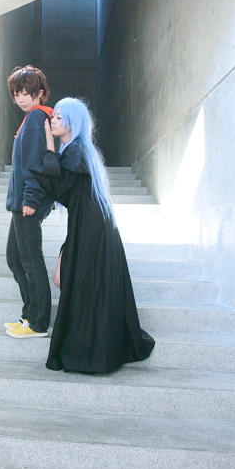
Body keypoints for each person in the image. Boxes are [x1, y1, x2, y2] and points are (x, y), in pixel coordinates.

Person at [33, 97, 155, 373]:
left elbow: (57, 187)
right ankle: (88, 344)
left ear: (73, 122)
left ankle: (89, 351)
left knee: (82, 282)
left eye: (60, 117)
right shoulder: (77, 150)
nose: (53, 120)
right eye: (54, 116)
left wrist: (49, 145)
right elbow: (64, 191)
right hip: (88, 224)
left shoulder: (77, 150)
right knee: (67, 278)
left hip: (91, 227)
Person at [4, 66, 54, 339]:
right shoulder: (30, 118)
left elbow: (35, 162)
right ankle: (29, 315)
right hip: (20, 202)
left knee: (30, 260)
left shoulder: (36, 117)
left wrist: (31, 198)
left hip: (27, 202)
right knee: (15, 258)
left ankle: (37, 322)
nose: (21, 99)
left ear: (40, 93)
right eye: (17, 94)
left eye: (27, 93)